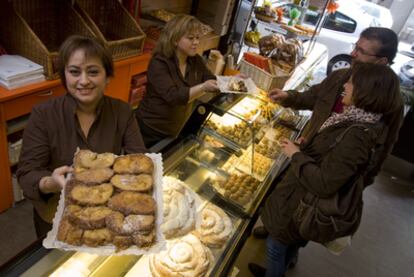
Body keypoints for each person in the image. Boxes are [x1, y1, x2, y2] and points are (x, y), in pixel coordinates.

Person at [248, 62, 403, 277]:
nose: (345, 86)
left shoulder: (357, 135)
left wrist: (296, 155)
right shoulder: (353, 119)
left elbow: (324, 183)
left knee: (275, 245)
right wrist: (308, 147)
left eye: (351, 82)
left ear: (365, 91)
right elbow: (332, 156)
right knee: (291, 241)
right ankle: (284, 265)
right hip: (300, 200)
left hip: (301, 201)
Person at [253, 27, 404, 239]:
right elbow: (314, 96)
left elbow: (383, 149)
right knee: (286, 203)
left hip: (330, 176)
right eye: (355, 47)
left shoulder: (388, 102)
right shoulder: (341, 76)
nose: (353, 54)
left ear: (382, 61)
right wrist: (288, 96)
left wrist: (359, 183)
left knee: (307, 217)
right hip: (308, 155)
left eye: (361, 51)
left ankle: (285, 247)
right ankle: (275, 232)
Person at [16, 35, 147, 238]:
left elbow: (138, 161)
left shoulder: (122, 112)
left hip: (105, 214)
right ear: (64, 76)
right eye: (74, 72)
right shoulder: (43, 114)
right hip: (55, 217)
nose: (83, 81)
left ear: (108, 76)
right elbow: (27, 173)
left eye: (93, 72)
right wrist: (51, 182)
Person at [136, 14, 219, 148]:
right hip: (149, 131)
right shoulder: (159, 63)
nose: (196, 42)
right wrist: (203, 87)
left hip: (175, 130)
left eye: (197, 37)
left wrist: (232, 82)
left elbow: (210, 78)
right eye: (190, 38)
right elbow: (174, 97)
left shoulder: (195, 60)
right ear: (175, 40)